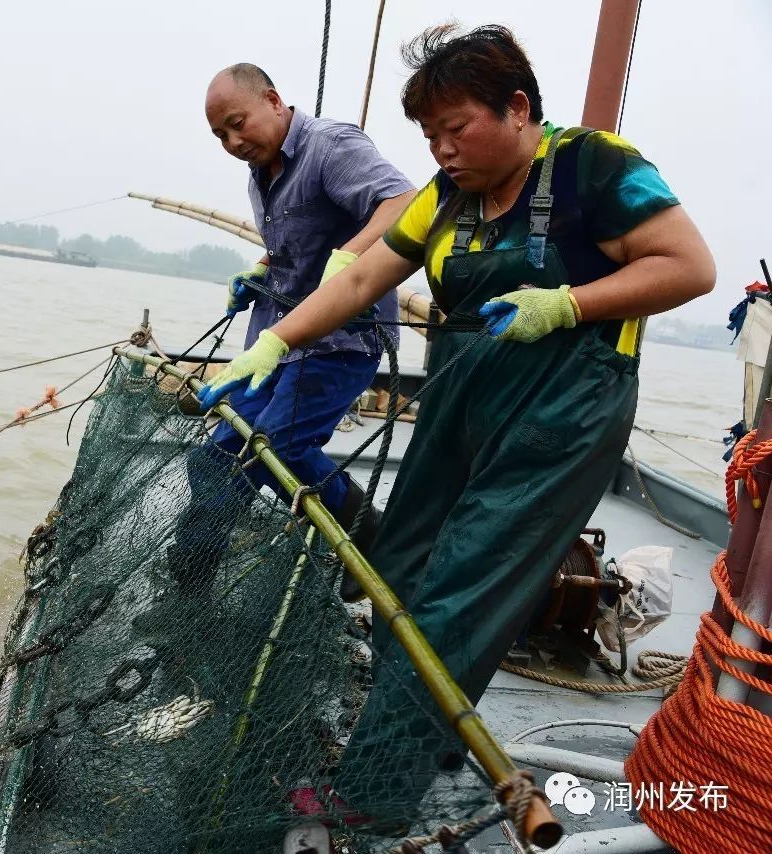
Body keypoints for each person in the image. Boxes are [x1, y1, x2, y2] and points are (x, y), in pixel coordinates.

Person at [197, 25, 715, 817]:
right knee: (398, 562)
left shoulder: (596, 166)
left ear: (516, 108)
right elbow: (369, 271)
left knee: (460, 590)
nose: (440, 148)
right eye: (429, 134)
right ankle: (421, 727)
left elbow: (689, 266)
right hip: (459, 399)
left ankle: (369, 796)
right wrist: (275, 338)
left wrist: (569, 302)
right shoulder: (449, 196)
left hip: (562, 413)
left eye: (454, 127)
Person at [157, 63, 414, 608]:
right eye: (219, 135)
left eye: (237, 123)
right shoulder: (262, 169)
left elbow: (404, 203)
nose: (232, 141)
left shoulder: (330, 145)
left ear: (273, 100)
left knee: (279, 447)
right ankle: (190, 584)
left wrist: (353, 254)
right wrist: (261, 268)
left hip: (338, 345)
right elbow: (296, 245)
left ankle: (371, 533)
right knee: (214, 459)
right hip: (275, 344)